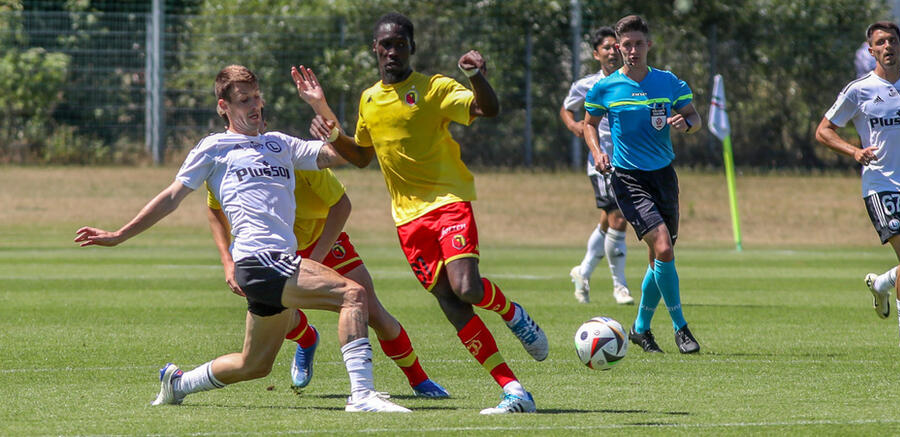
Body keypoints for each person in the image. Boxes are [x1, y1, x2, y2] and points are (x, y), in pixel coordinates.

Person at [74, 65, 411, 412]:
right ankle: (363, 396)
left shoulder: (280, 143)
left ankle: (177, 383)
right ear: (223, 106)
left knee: (255, 365)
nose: (254, 106)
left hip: (275, 264)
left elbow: (348, 156)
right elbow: (171, 197)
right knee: (352, 294)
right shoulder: (214, 148)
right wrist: (119, 234)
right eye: (243, 100)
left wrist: (320, 107)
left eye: (256, 97)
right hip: (259, 260)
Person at [293, 12, 548, 414]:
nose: (391, 50)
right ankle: (514, 391)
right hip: (408, 220)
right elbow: (360, 157)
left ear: (412, 47)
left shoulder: (434, 88)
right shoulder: (369, 99)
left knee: (467, 287)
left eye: (399, 43)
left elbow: (488, 109)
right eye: (384, 44)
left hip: (448, 202)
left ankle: (513, 313)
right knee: (451, 302)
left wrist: (477, 76)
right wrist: (334, 136)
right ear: (375, 49)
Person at [205, 164, 449, 397]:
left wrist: (317, 258)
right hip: (271, 251)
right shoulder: (228, 162)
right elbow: (214, 207)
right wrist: (227, 261)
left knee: (372, 310)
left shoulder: (294, 157)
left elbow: (342, 204)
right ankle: (308, 339)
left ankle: (419, 380)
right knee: (280, 318)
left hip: (325, 241)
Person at [815, 21, 900, 348]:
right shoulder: (858, 90)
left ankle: (882, 283)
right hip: (880, 185)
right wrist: (854, 150)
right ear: (871, 50)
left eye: (892, 41)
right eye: (880, 42)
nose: (887, 46)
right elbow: (823, 131)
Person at [583, 15, 702, 354]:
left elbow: (694, 118)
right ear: (618, 48)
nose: (632, 50)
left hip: (664, 176)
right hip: (628, 177)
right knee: (664, 248)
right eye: (626, 45)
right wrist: (597, 152)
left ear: (648, 45)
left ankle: (640, 329)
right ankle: (682, 329)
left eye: (638, 43)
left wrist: (686, 124)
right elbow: (588, 124)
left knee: (657, 258)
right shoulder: (605, 88)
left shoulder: (668, 83)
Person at [560, 26, 633, 306]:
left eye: (617, 47)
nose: (613, 52)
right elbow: (567, 108)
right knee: (618, 218)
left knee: (607, 222)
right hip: (602, 162)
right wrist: (574, 125)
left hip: (631, 162)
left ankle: (583, 271)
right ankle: (620, 287)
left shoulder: (632, 81)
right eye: (606, 48)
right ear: (595, 54)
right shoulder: (587, 84)